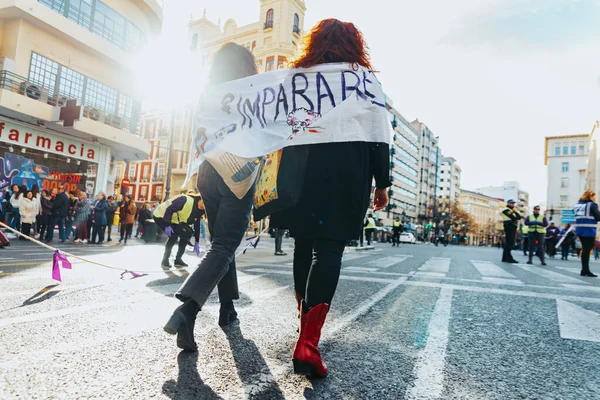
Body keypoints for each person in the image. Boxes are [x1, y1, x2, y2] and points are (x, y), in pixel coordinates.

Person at [270, 19, 390, 378]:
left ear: (314, 43)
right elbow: (378, 134)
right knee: (330, 248)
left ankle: (303, 331)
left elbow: (277, 122)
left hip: (301, 169)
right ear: (355, 45)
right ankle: (308, 341)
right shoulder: (364, 80)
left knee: (303, 245)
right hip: (345, 171)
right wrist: (381, 184)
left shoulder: (296, 77)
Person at [163, 43, 260, 352]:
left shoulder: (207, 95)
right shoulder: (253, 92)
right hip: (237, 172)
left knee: (221, 242)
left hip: (208, 171)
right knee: (225, 244)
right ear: (247, 67)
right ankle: (187, 309)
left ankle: (227, 308)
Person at [154, 193, 204, 268]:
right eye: (203, 203)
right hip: (161, 215)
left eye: (205, 206)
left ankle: (178, 260)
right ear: (200, 198)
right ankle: (165, 260)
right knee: (173, 237)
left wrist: (197, 241)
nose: (203, 206)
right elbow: (169, 209)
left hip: (175, 220)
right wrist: (167, 225)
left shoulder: (199, 211)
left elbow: (197, 225)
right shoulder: (185, 200)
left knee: (185, 238)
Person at [574, 190, 600, 277]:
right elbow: (598, 217)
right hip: (589, 230)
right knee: (586, 250)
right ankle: (585, 270)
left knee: (585, 250)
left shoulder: (578, 205)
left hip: (580, 229)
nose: (594, 198)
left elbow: (575, 214)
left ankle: (584, 270)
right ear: (590, 196)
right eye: (593, 196)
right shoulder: (592, 205)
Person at [501, 199, 521, 263]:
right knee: (509, 242)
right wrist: (513, 212)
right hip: (509, 226)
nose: (513, 204)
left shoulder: (512, 210)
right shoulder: (505, 210)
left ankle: (505, 257)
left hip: (513, 227)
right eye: (511, 203)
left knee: (509, 242)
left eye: (513, 203)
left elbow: (519, 217)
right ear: (508, 203)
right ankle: (508, 257)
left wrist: (514, 212)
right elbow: (514, 218)